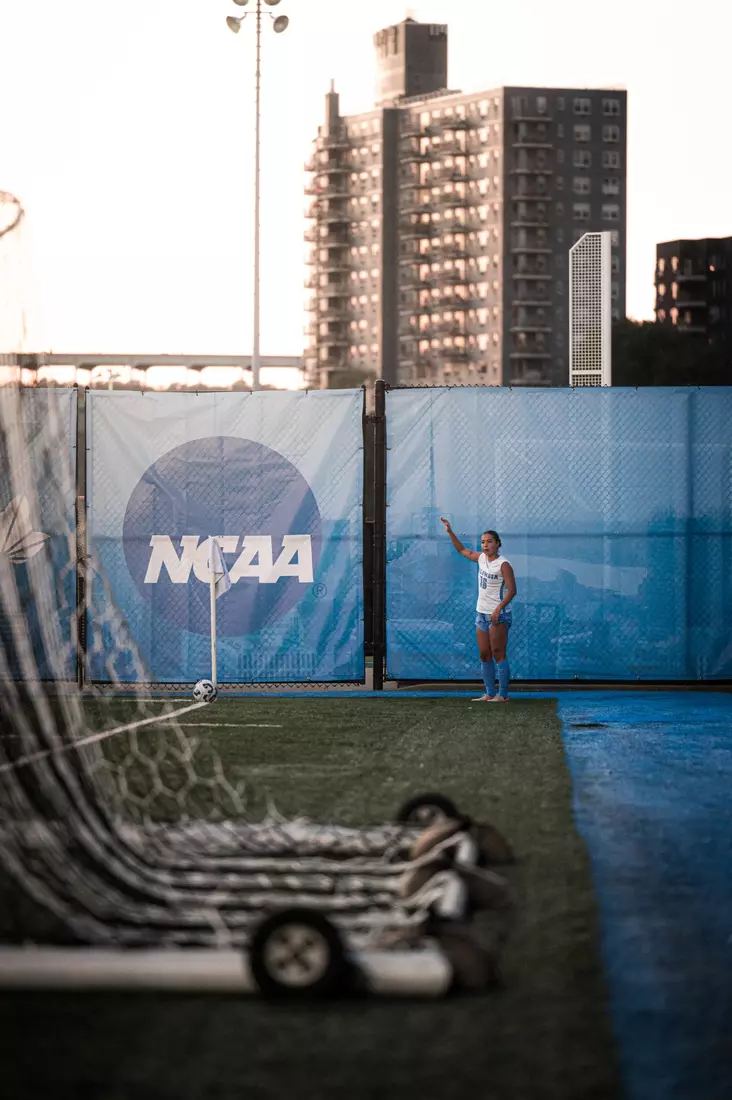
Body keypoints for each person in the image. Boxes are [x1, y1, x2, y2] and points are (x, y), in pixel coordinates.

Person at [440, 518, 517, 702]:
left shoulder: (503, 564)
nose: (485, 545)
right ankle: (489, 693)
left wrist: (498, 608)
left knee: (498, 652)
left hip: (497, 615)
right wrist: (450, 531)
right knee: (484, 653)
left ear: (497, 544)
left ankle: (503, 695)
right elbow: (461, 550)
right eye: (483, 542)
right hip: (481, 614)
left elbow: (513, 590)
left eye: (489, 541)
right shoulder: (481, 558)